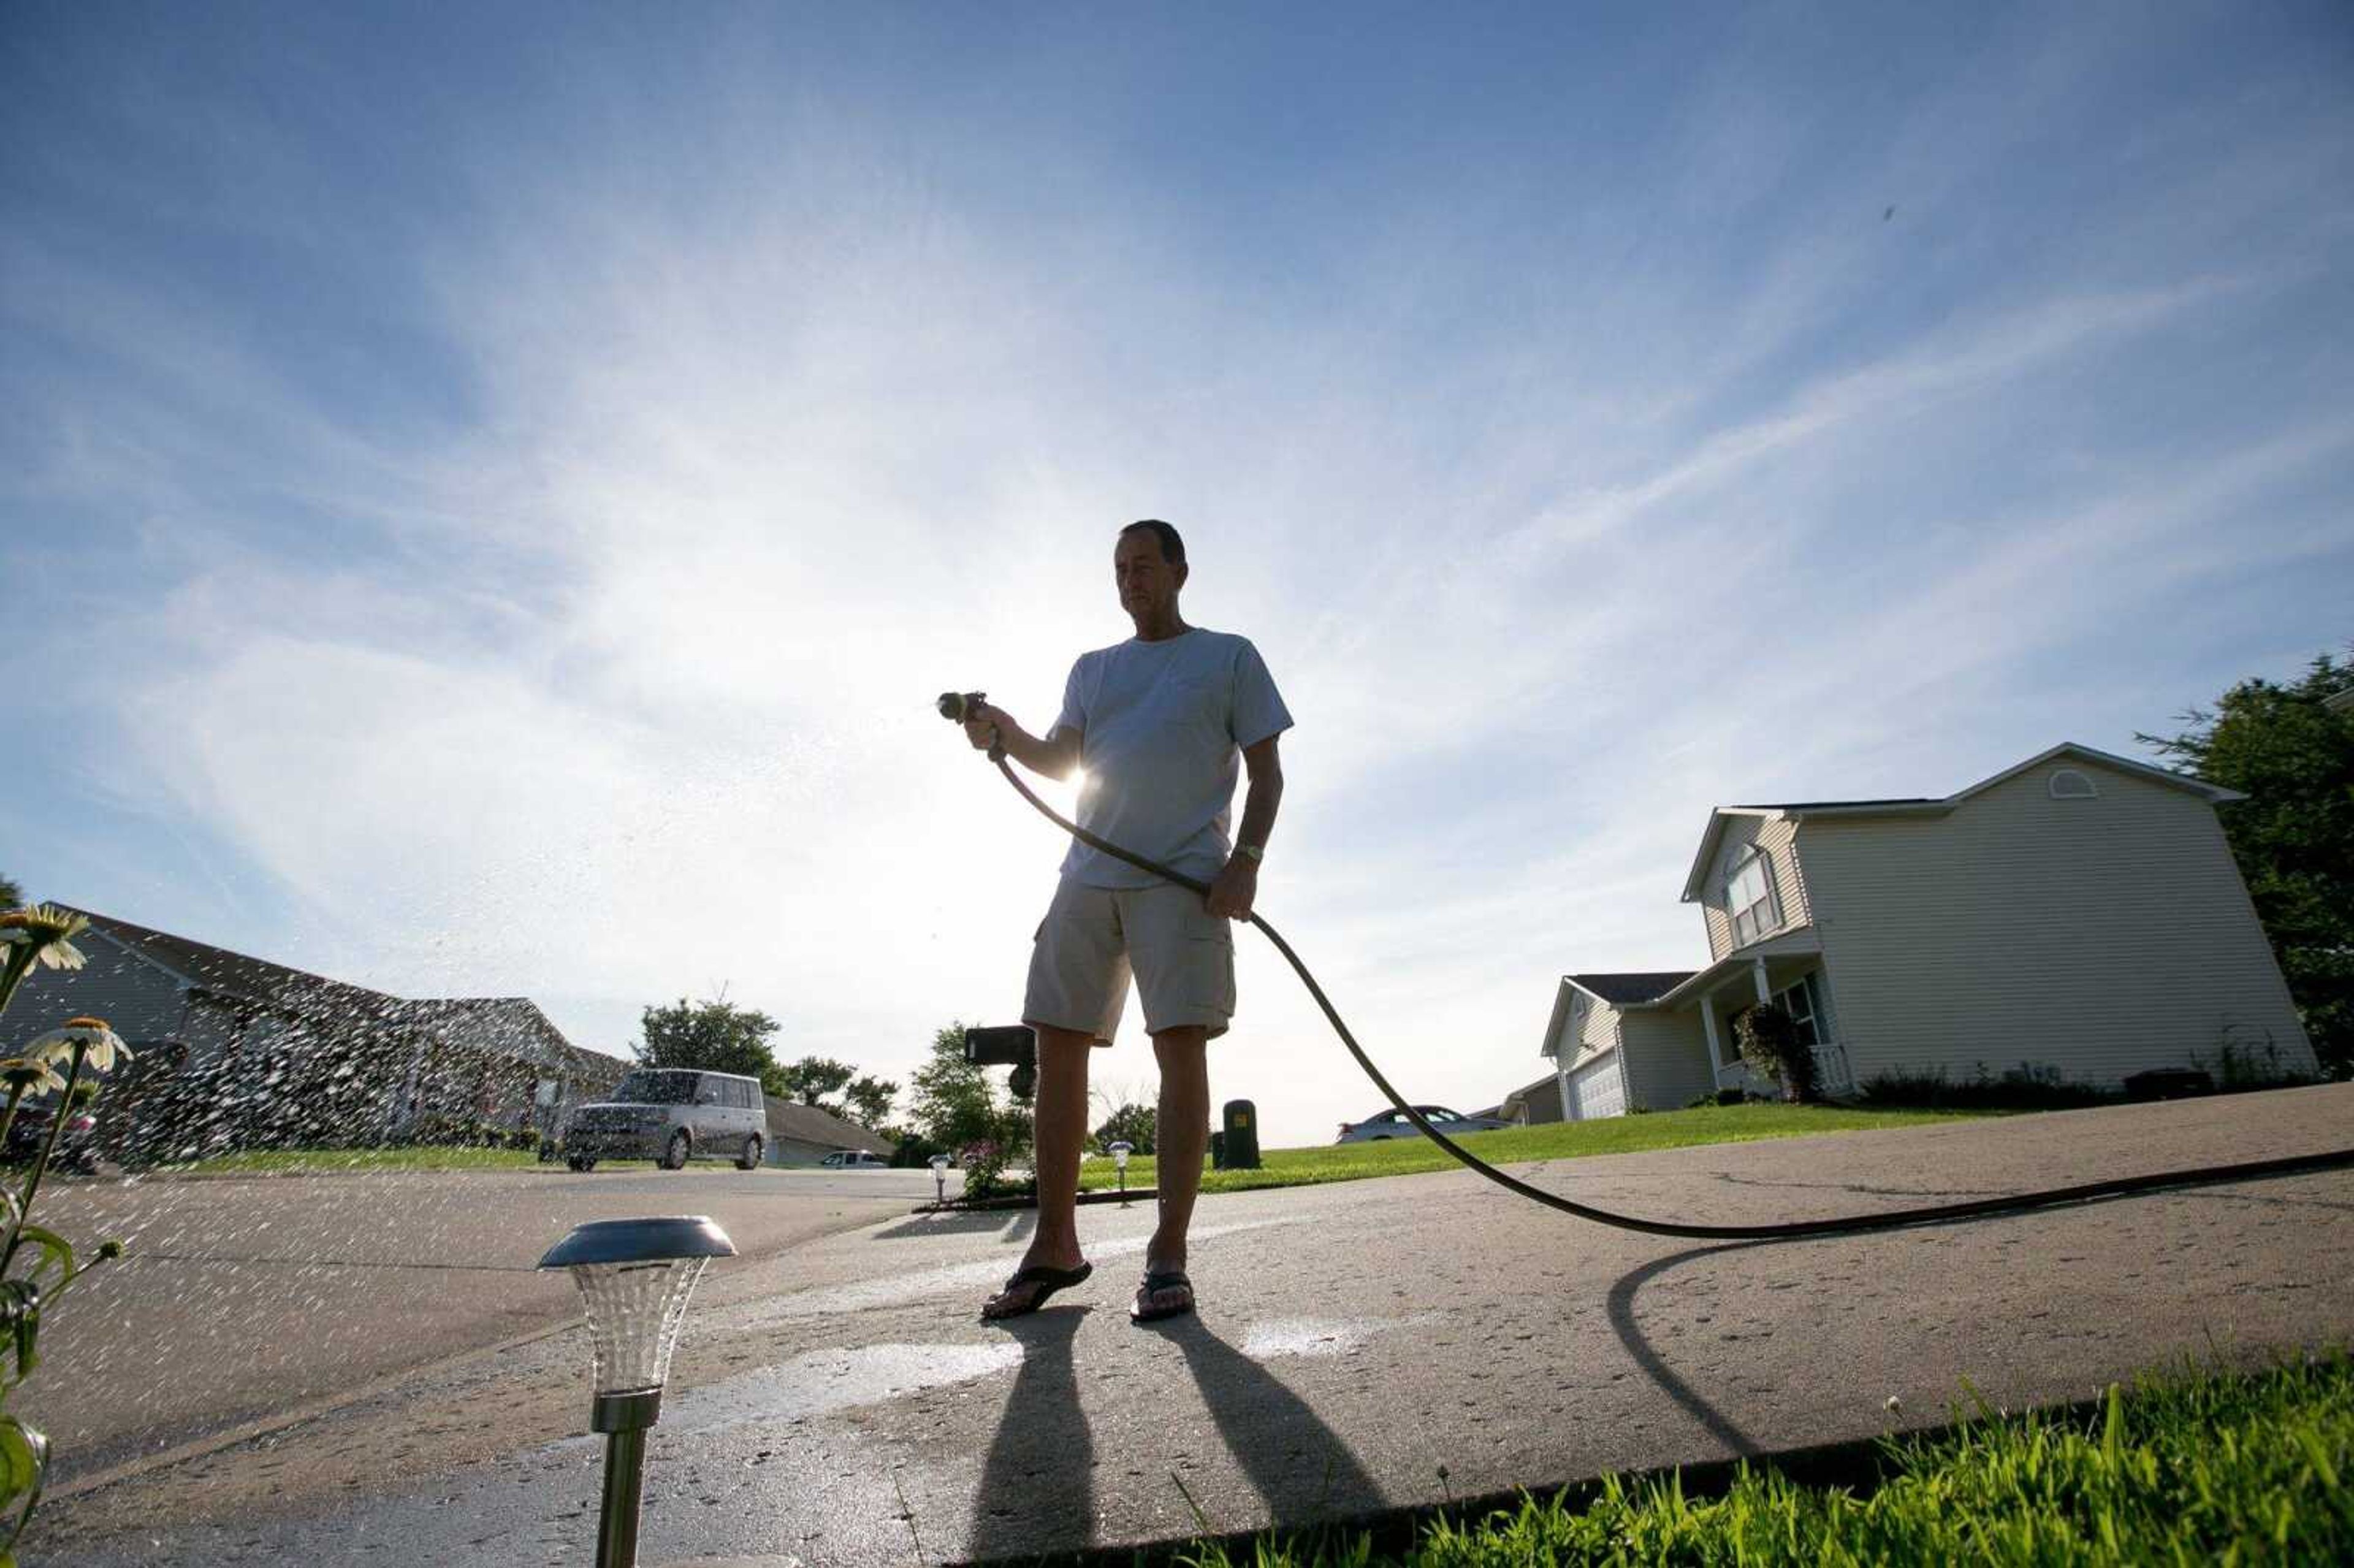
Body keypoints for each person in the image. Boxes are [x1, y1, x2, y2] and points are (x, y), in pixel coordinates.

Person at [961, 519, 1291, 1323]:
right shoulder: (1094, 668)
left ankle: (1167, 1254)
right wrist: (999, 731)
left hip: (1184, 880)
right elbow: (1059, 758)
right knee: (1056, 1042)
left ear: (1181, 570)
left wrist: (1244, 861)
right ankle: (1054, 1246)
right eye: (1118, 568)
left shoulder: (1229, 656)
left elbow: (1267, 771)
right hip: (1088, 875)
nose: (1129, 578)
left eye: (1144, 564)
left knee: (1180, 1048)